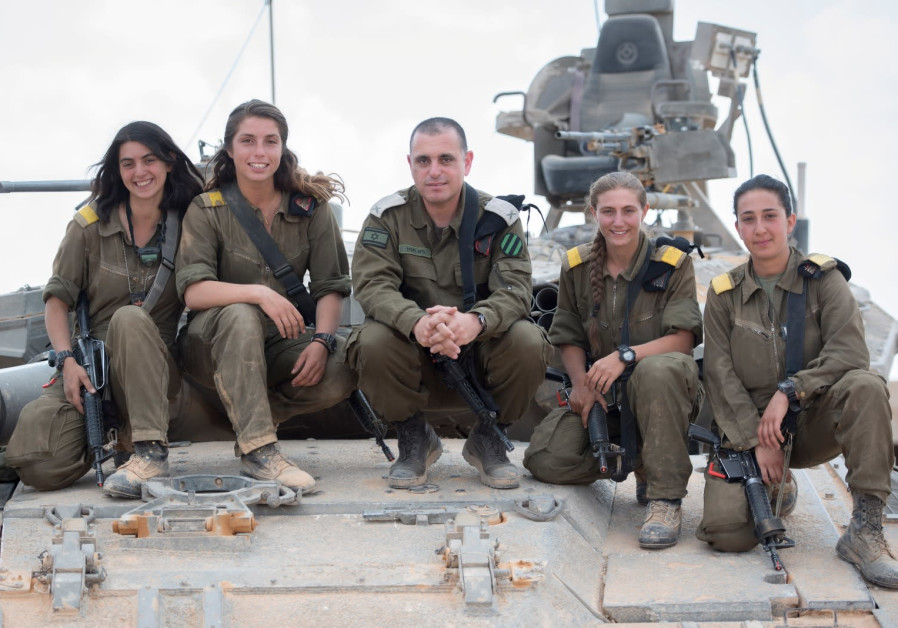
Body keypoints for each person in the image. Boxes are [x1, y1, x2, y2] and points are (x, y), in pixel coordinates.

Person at [697, 174, 898, 587]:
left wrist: (791, 390)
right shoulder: (724, 294)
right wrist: (756, 440)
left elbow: (850, 353)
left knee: (865, 385)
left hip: (813, 420)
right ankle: (779, 488)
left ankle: (865, 531)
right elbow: (719, 373)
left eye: (770, 216)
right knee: (728, 535)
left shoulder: (823, 280)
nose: (760, 228)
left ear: (790, 221)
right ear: (738, 228)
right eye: (748, 219)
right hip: (754, 429)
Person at [348, 117, 550, 490]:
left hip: (478, 351)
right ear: (410, 164)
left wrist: (475, 322)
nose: (434, 171)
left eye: (446, 159)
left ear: (467, 162)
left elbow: (516, 290)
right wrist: (417, 323)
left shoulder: (497, 219)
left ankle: (488, 439)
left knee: (528, 340)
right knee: (371, 340)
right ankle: (414, 437)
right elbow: (372, 285)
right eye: (423, 161)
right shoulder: (386, 218)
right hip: (412, 351)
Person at [6, 121, 203, 496]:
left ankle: (148, 450)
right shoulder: (89, 226)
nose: (140, 172)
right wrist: (67, 362)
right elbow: (57, 301)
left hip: (157, 371)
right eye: (128, 164)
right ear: (117, 170)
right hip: (92, 367)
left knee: (130, 319)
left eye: (149, 160)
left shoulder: (193, 222)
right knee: (40, 468)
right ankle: (112, 438)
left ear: (169, 162)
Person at [176, 99, 356, 495]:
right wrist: (258, 294)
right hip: (212, 344)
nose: (259, 152)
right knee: (240, 314)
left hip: (279, 343)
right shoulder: (207, 210)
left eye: (270, 141)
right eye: (248, 141)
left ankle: (253, 414)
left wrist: (322, 341)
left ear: (282, 147)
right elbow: (194, 291)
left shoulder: (311, 209)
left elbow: (330, 286)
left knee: (346, 360)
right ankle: (259, 450)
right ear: (230, 149)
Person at [523, 171, 702, 549]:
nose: (618, 221)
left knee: (656, 371)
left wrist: (625, 356)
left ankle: (665, 498)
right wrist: (581, 384)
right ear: (593, 213)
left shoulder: (671, 264)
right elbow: (568, 334)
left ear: (644, 211)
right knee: (546, 459)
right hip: (606, 394)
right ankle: (641, 460)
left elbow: (683, 340)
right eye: (608, 211)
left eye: (628, 211)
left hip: (664, 393)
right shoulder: (576, 266)